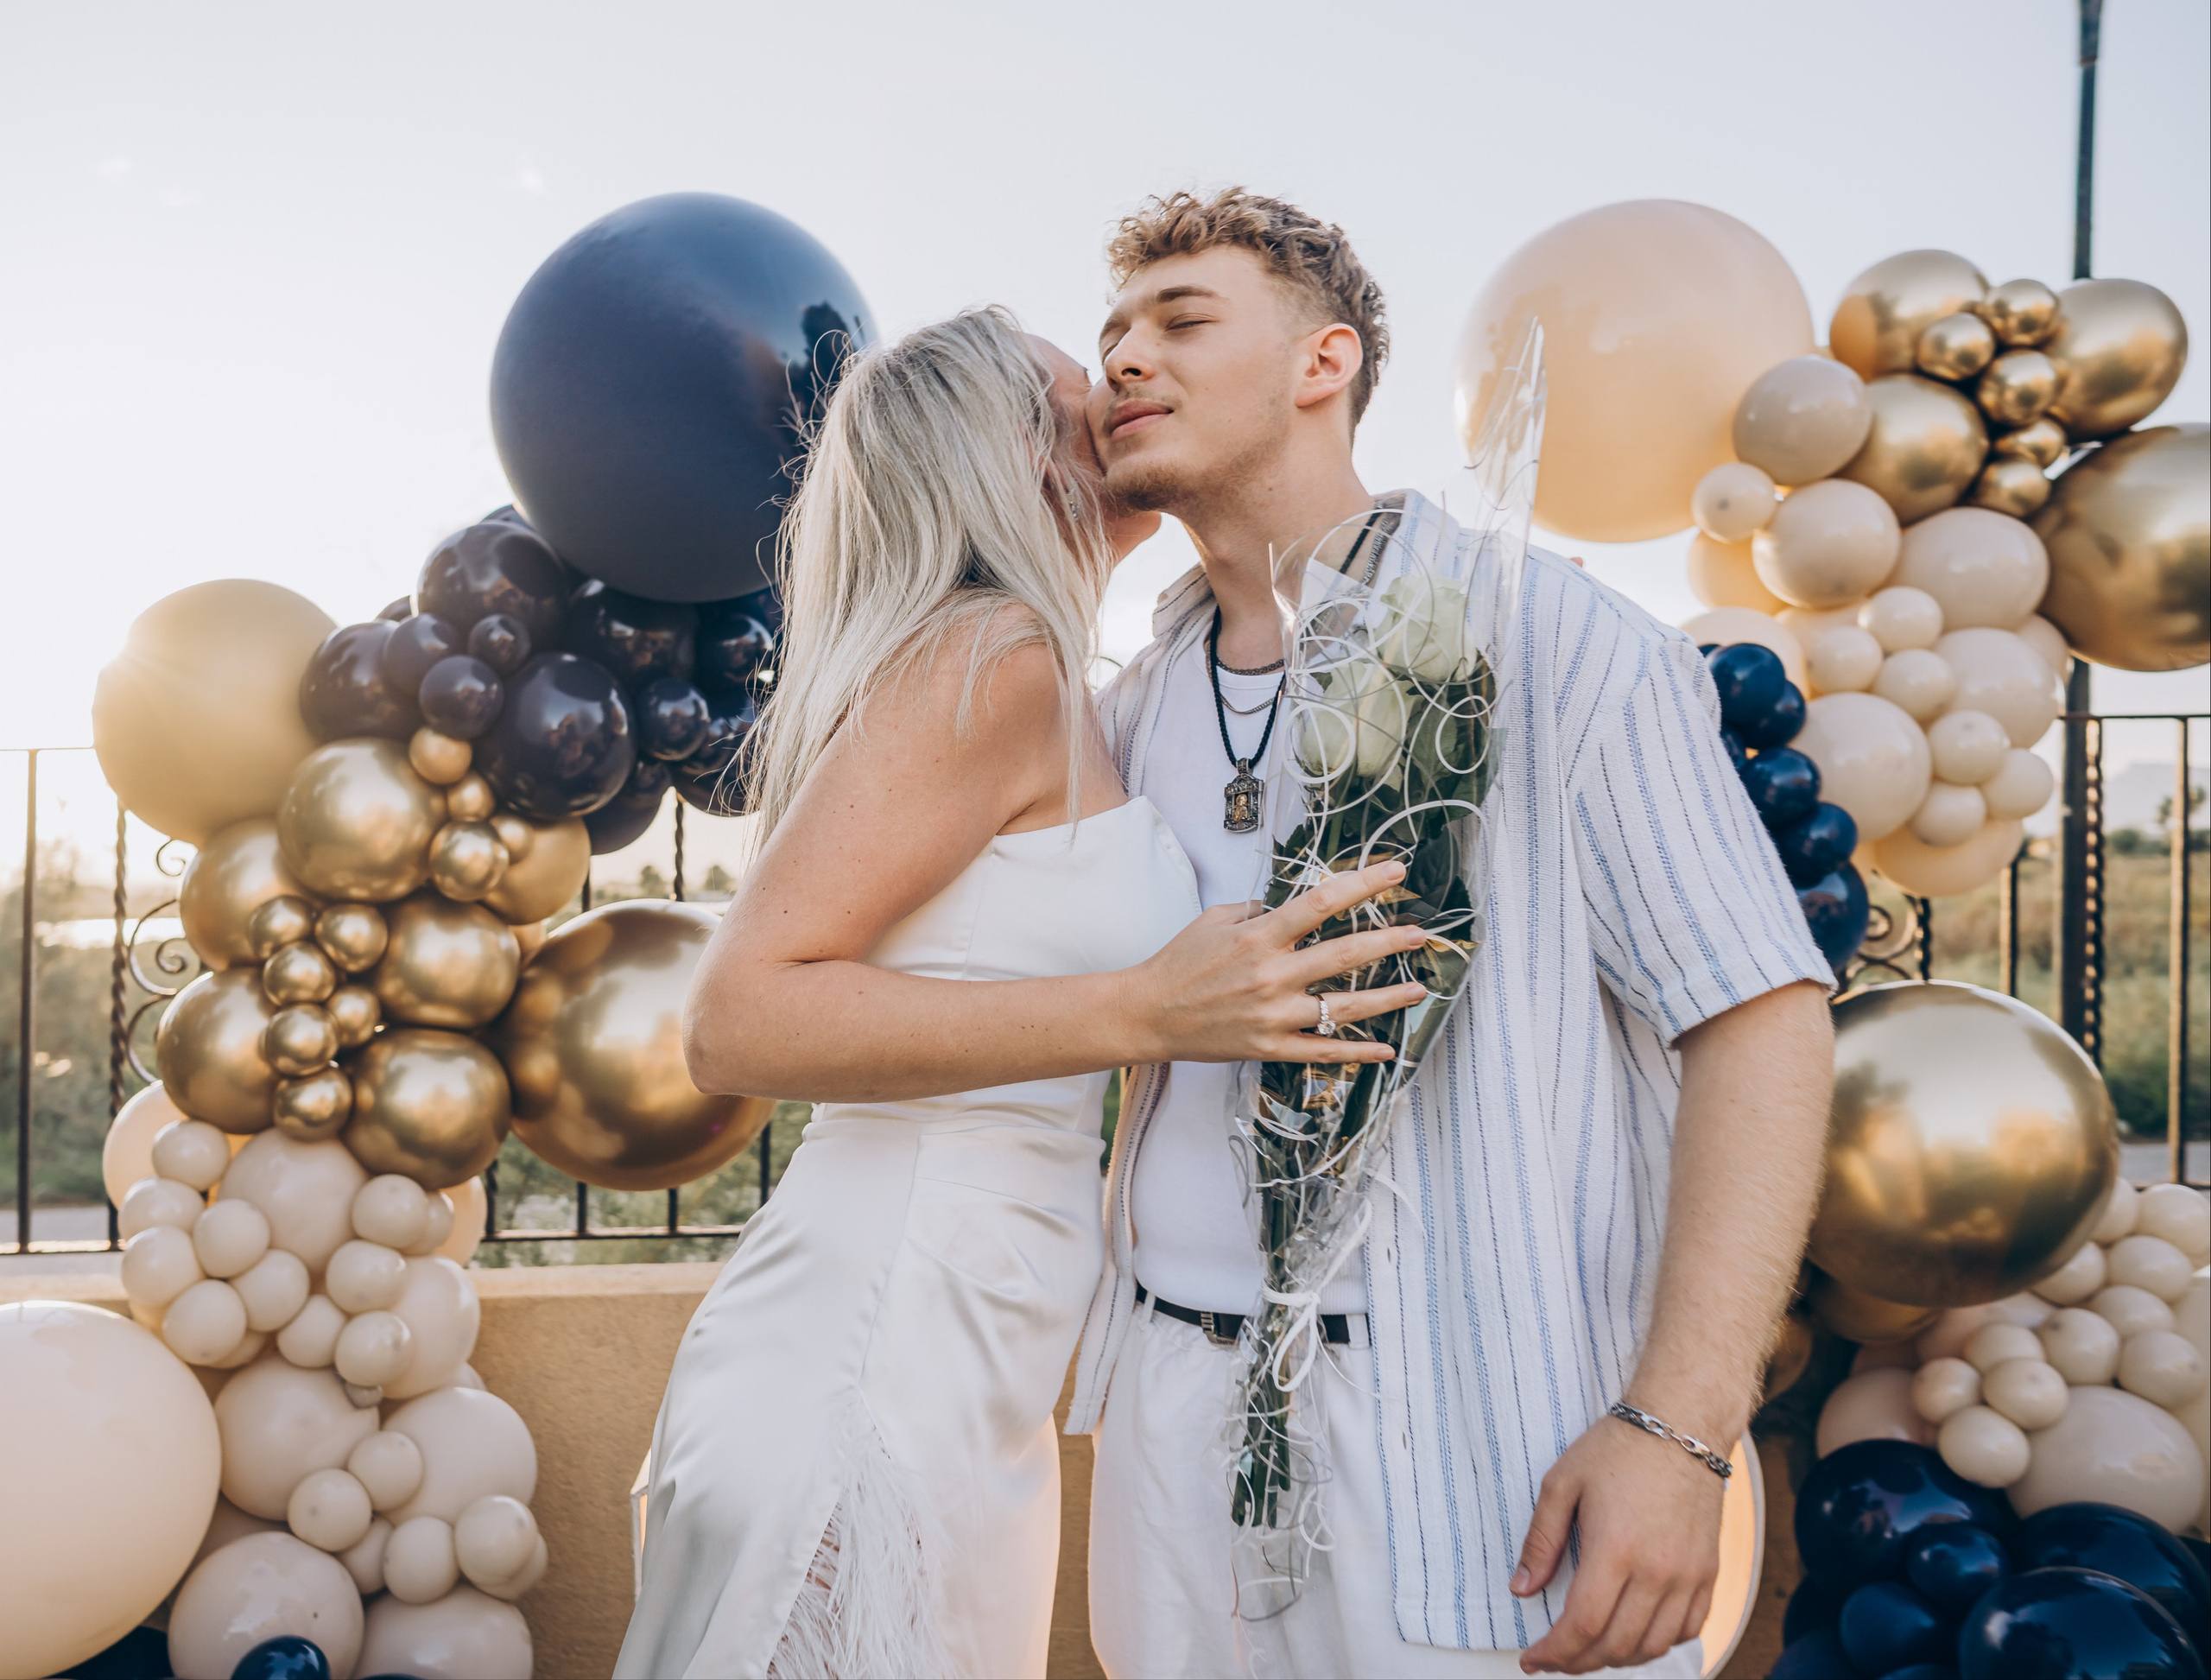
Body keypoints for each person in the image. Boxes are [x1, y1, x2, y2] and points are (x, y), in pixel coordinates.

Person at [1070, 189, 1839, 1679]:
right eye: (1111, 336)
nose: (1124, 362)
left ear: (1325, 362)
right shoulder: (1129, 701)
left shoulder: (1555, 639)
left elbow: (1760, 1016)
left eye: (1180, 322)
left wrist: (1682, 1430)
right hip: (1169, 1425)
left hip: (1482, 1444)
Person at [616, 307, 1422, 1680]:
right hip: (885, 1325)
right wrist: (1149, 1010)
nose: (1119, 403)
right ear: (1008, 455)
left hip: (974, 1328)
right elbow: (737, 1017)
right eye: (1078, 397)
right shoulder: (991, 658)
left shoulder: (1067, 683)